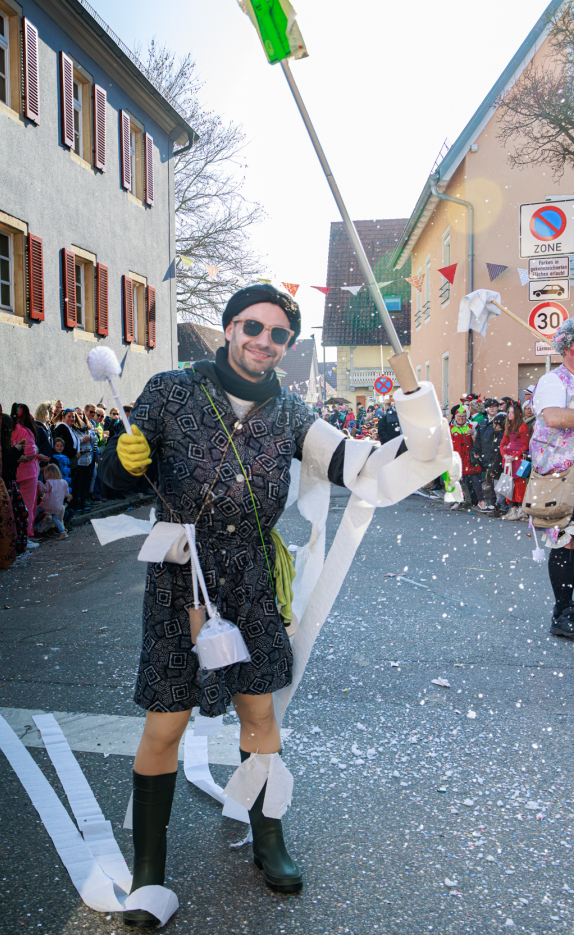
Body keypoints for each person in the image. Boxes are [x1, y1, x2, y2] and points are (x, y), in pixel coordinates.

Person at [98, 283, 450, 926]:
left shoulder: (290, 412)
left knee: (259, 713)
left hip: (253, 579)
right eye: (253, 328)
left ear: (287, 346)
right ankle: (148, 870)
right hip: (181, 575)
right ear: (230, 328)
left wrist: (416, 405)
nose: (264, 341)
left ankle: (268, 837)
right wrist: (119, 461)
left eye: (278, 334)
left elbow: (362, 467)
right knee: (165, 722)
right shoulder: (171, 390)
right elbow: (114, 478)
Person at [530, 320, 574, 638]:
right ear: (570, 348)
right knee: (566, 541)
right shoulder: (553, 381)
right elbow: (554, 417)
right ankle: (563, 612)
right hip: (561, 477)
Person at [12, 404, 46, 542]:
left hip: (14, 473)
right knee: (28, 505)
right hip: (28, 474)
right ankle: (26, 536)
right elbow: (30, 453)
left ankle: (17, 537)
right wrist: (35, 456)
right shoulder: (26, 431)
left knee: (15, 506)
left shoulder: (11, 429)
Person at [0, 413, 29, 562]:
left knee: (21, 514)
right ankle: (12, 550)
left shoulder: (3, 441)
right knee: (14, 516)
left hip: (11, 482)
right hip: (5, 483)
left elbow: (8, 461)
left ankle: (19, 547)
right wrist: (16, 450)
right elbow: (3, 460)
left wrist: (17, 457)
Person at [500, 402, 530, 520]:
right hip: (509, 460)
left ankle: (521, 509)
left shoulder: (523, 427)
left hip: (518, 460)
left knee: (519, 484)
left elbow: (525, 445)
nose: (510, 415)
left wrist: (515, 456)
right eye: (508, 412)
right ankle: (513, 508)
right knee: (510, 484)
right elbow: (503, 443)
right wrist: (505, 455)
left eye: (512, 412)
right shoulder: (508, 427)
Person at [473, 399, 502, 512]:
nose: (491, 408)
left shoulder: (501, 421)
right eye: (489, 406)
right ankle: (489, 504)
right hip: (484, 456)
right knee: (486, 482)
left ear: (497, 408)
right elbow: (479, 439)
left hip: (495, 455)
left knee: (495, 480)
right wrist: (476, 450)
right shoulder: (484, 422)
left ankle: (496, 505)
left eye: (494, 406)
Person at [449, 406, 481, 506]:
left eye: (463, 416)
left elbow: (477, 443)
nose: (461, 418)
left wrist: (473, 435)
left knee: (473, 480)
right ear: (455, 417)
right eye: (459, 416)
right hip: (456, 458)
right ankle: (458, 500)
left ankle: (477, 501)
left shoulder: (471, 427)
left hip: (469, 458)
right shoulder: (450, 429)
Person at [36, 463, 71, 536]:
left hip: (47, 505)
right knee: (55, 519)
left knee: (36, 509)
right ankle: (62, 532)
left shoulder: (49, 482)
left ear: (49, 473)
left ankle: (34, 526)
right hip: (58, 506)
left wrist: (39, 483)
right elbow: (66, 494)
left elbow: (44, 489)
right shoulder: (64, 482)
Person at [71, 411, 94, 510]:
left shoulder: (87, 428)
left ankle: (84, 502)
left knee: (86, 483)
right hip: (79, 461)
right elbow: (74, 440)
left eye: (81, 414)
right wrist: (82, 439)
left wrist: (91, 437)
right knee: (78, 484)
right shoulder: (72, 429)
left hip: (88, 459)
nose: (80, 416)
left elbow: (94, 440)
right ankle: (76, 504)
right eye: (78, 414)